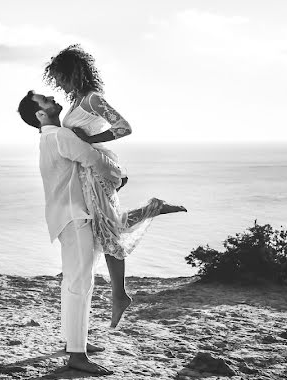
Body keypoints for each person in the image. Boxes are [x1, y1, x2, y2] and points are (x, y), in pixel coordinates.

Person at [43, 45, 186, 328]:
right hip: (88, 171)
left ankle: (120, 295)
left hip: (96, 172)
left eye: (60, 76)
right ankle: (153, 210)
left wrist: (91, 141)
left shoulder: (93, 99)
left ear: (72, 73)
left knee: (107, 232)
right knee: (107, 227)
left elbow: (124, 128)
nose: (57, 83)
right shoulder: (79, 101)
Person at [18, 91, 123, 375]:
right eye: (45, 100)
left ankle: (74, 341)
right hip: (75, 217)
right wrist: (119, 178)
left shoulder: (47, 139)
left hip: (63, 217)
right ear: (41, 115)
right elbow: (94, 160)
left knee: (71, 282)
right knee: (80, 283)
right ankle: (78, 354)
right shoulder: (60, 137)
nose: (51, 97)